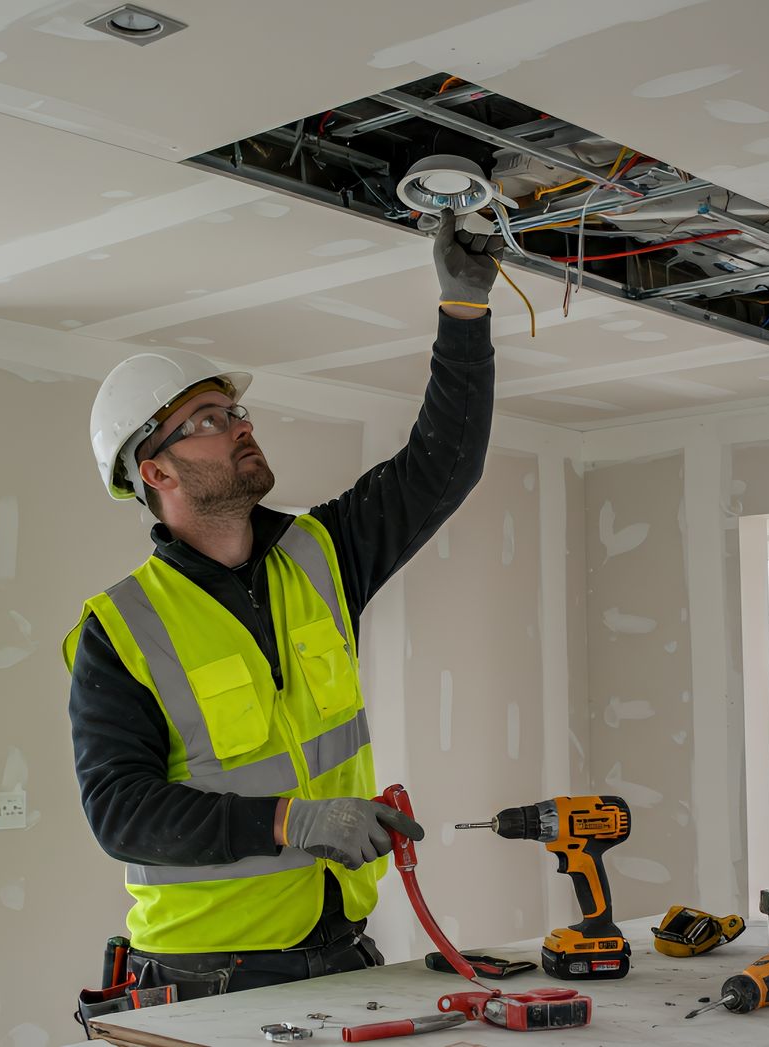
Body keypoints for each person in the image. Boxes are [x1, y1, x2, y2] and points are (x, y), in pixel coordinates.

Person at [63, 209, 504, 999]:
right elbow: (121, 812)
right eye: (205, 421)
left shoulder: (322, 555)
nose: (238, 427)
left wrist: (463, 312)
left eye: (234, 412)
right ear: (153, 471)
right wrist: (288, 823)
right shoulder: (120, 628)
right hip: (207, 978)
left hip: (339, 955)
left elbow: (443, 466)